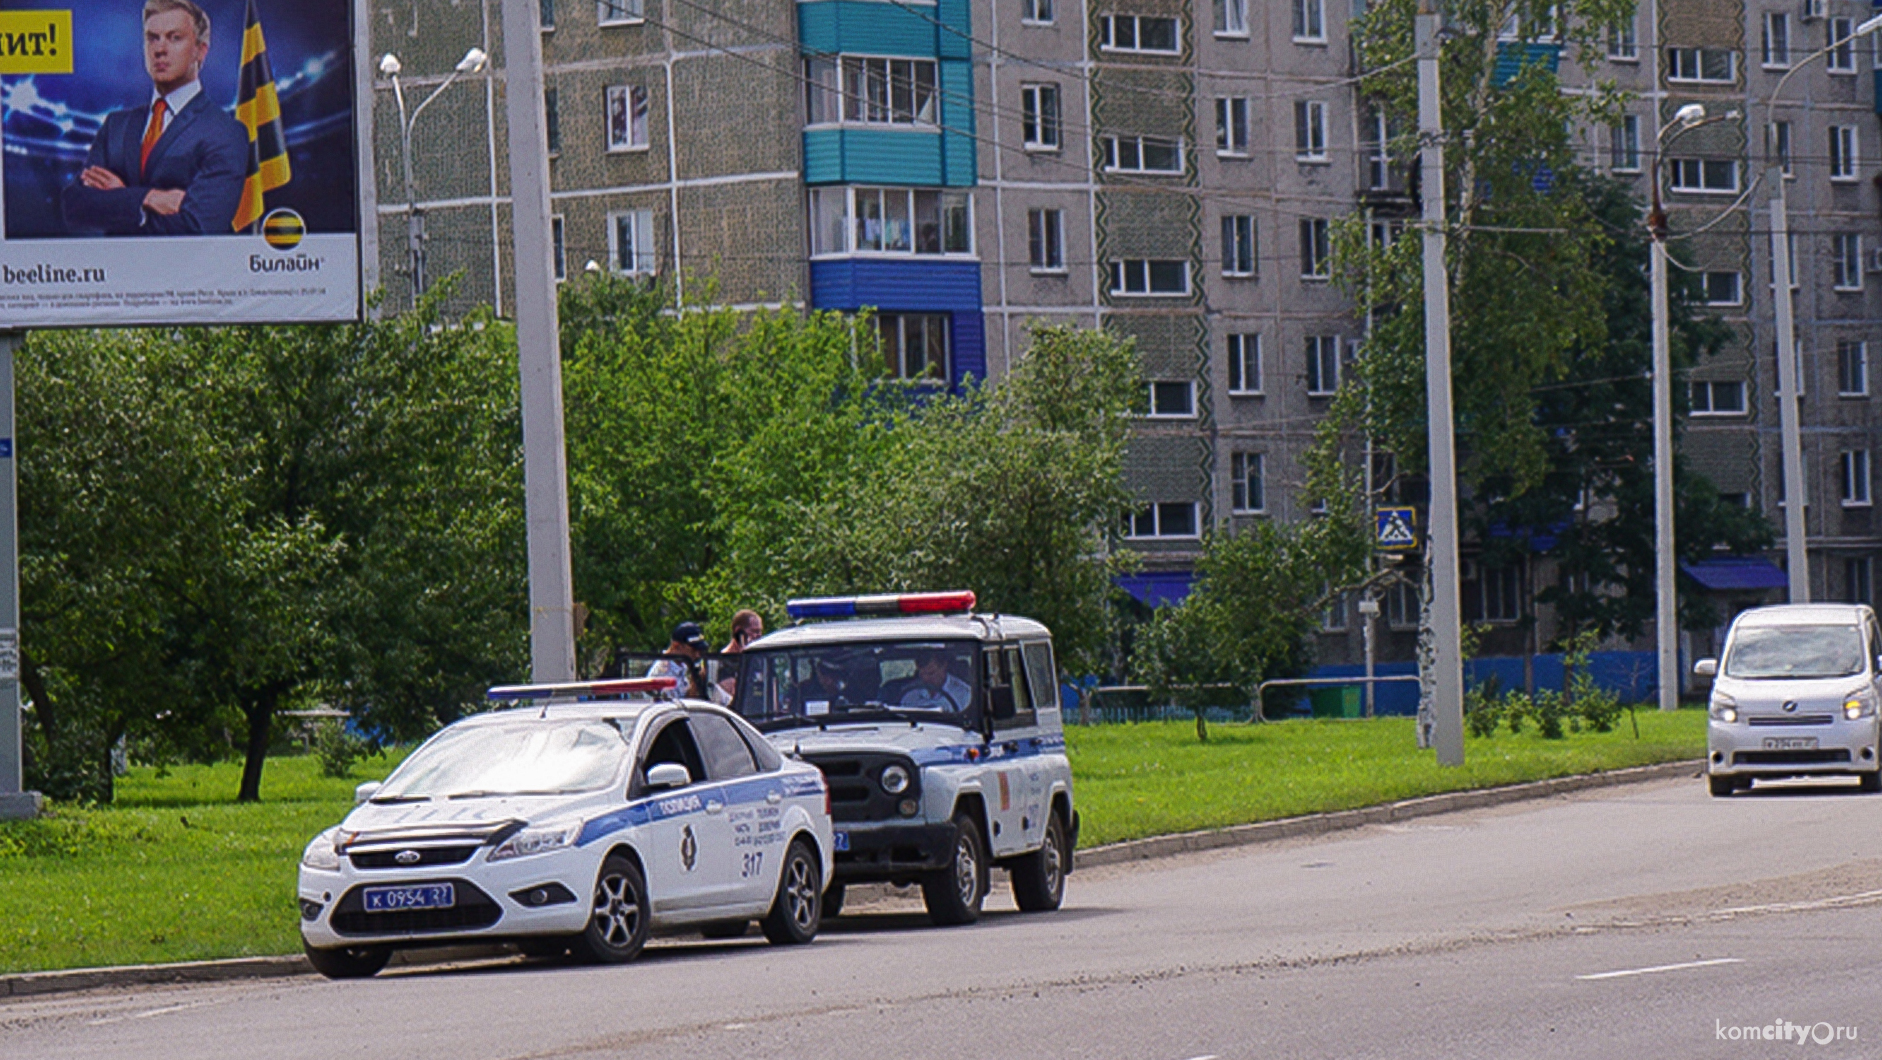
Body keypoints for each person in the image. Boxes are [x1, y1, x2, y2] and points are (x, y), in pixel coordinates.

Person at [61, 0, 248, 236]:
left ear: (200, 51)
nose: (160, 49)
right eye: (152, 38)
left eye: (174, 38)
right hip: (118, 270)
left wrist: (119, 201)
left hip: (186, 271)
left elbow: (197, 228)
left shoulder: (224, 132)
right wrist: (147, 198)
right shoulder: (116, 126)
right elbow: (75, 205)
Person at [646, 621, 710, 699]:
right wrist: (695, 684)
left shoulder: (680, 666)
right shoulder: (663, 674)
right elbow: (676, 709)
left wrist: (697, 680)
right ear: (677, 646)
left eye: (699, 650)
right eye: (693, 650)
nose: (697, 655)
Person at [714, 609, 763, 703]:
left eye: (760, 632)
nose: (758, 636)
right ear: (739, 632)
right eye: (754, 631)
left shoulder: (756, 660)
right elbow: (734, 694)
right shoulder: (724, 661)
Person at [899, 649, 971, 711]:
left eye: (931, 673)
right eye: (922, 674)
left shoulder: (964, 694)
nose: (925, 678)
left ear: (944, 666)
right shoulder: (910, 694)